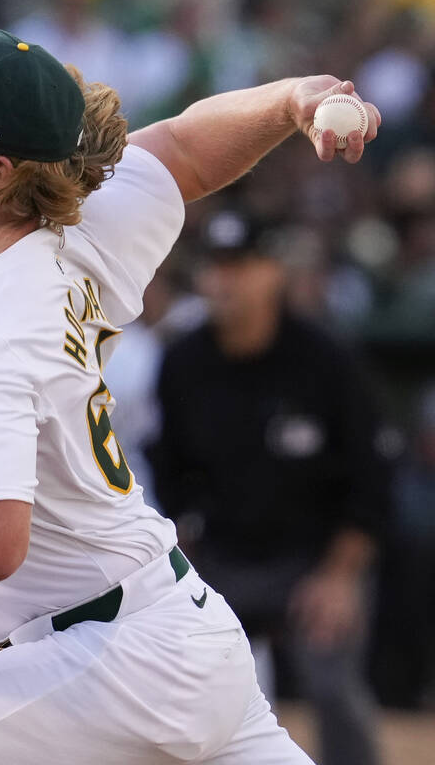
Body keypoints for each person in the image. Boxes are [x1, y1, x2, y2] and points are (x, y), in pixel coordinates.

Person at [0, 29, 381, 763]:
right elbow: (183, 150)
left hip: (115, 664)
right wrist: (289, 100)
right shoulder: (74, 231)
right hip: (178, 633)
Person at [151, 209, 389, 765]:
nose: (225, 280)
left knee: (333, 685)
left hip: (315, 558)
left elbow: (372, 479)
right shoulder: (182, 361)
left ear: (274, 272)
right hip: (224, 557)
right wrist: (183, 553)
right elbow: (168, 467)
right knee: (185, 686)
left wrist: (340, 575)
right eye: (215, 266)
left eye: (242, 264)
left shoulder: (326, 359)